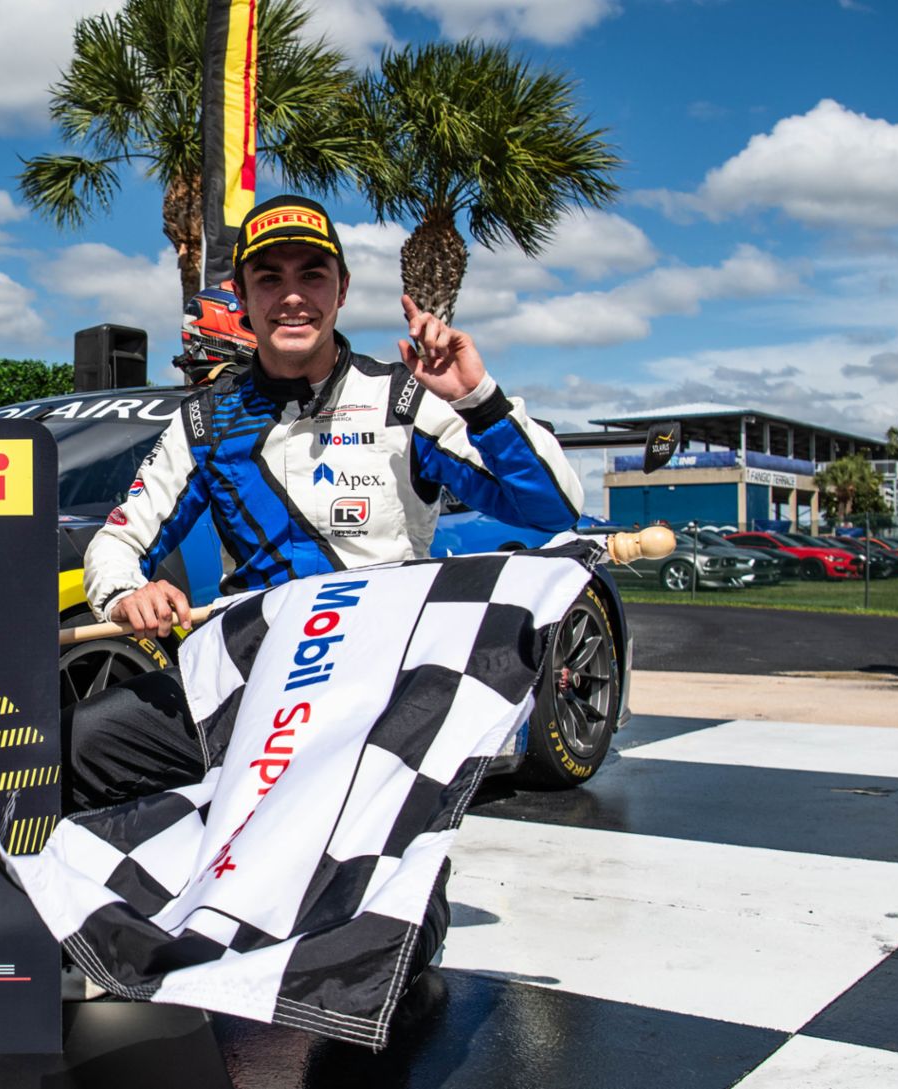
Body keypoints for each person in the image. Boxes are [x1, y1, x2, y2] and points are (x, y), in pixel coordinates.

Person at [67, 193, 583, 994]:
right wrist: (125, 591)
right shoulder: (205, 421)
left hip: (371, 698)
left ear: (341, 289)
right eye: (269, 277)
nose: (293, 293)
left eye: (313, 272)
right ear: (244, 297)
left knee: (390, 955)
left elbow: (551, 506)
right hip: (249, 681)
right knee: (75, 748)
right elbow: (114, 542)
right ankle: (135, 912)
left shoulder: (408, 399)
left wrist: (475, 396)